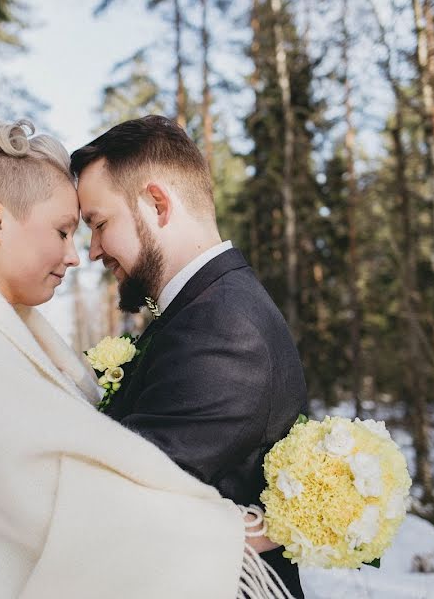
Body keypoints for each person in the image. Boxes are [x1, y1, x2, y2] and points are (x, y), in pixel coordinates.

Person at [0, 118, 292, 598]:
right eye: (65, 231)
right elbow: (48, 507)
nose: (79, 254)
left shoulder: (223, 325)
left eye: (92, 226)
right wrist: (245, 532)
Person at [72, 114, 308, 598]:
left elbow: (124, 500)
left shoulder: (225, 329)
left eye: (99, 223)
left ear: (157, 202)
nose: (93, 250)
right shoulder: (202, 310)